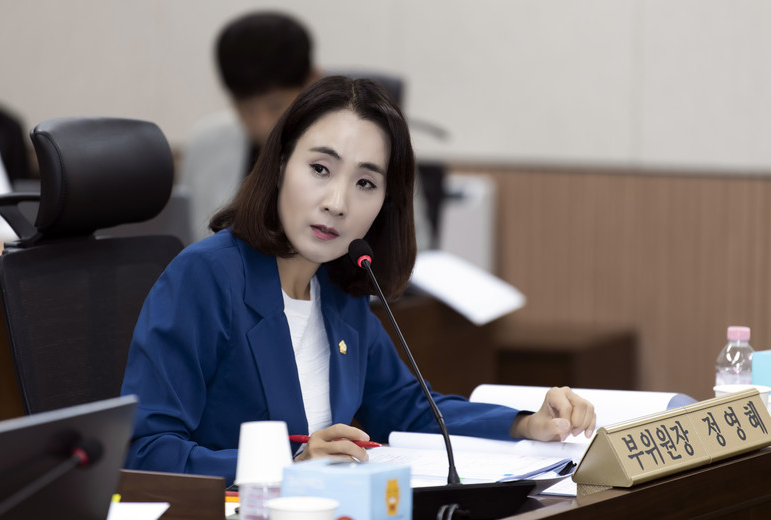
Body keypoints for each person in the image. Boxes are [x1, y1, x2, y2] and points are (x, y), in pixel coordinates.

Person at [121, 76, 596, 482]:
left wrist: (525, 424)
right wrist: (289, 464)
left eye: (365, 183)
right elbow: (144, 451)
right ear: (281, 164)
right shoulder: (206, 276)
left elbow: (406, 407)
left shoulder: (339, 288)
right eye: (320, 169)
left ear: (385, 203)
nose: (337, 202)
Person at [177, 11, 432, 249]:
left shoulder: (376, 145)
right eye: (245, 109)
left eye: (275, 106)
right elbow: (189, 243)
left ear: (312, 81)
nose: (262, 124)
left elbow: (413, 248)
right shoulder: (205, 144)